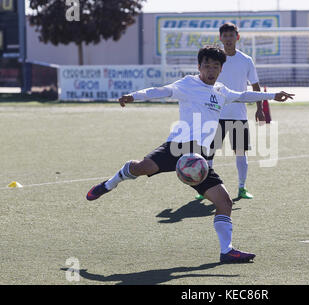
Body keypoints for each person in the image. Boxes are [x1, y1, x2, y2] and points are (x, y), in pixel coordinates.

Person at [85, 46, 294, 264]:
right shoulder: (187, 84)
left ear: (221, 69)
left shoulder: (221, 91)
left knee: (224, 202)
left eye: (215, 67)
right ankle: (109, 184)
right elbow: (160, 90)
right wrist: (133, 96)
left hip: (199, 159)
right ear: (199, 67)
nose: (210, 71)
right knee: (140, 168)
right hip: (177, 147)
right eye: (206, 66)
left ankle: (227, 251)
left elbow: (243, 95)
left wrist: (272, 95)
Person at [195, 23, 264, 201]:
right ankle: (205, 188)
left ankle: (241, 187)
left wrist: (260, 108)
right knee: (208, 153)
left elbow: (255, 85)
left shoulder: (246, 60)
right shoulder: (213, 60)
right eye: (224, 35)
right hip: (214, 114)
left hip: (238, 115)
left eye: (231, 35)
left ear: (237, 37)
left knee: (240, 152)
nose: (228, 39)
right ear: (220, 38)